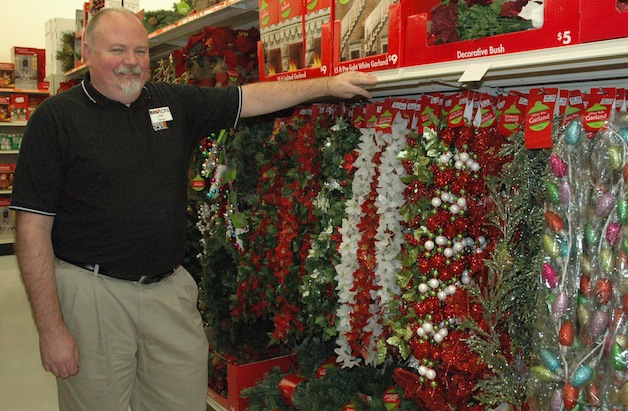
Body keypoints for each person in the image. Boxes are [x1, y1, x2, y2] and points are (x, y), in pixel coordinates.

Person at [10, 7, 377, 411]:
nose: (132, 61)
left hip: (168, 293)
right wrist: (51, 329)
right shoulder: (56, 120)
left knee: (181, 400)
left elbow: (248, 98)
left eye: (140, 51)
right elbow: (32, 230)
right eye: (117, 49)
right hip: (93, 295)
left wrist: (324, 85)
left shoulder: (171, 102)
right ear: (88, 49)